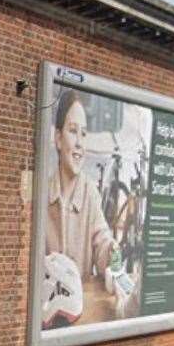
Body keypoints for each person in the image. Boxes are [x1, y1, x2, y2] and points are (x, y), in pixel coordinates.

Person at [46, 88, 117, 278]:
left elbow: (102, 241)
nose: (79, 142)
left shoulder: (90, 193)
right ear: (58, 138)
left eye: (83, 134)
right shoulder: (43, 193)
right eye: (72, 131)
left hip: (80, 305)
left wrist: (112, 251)